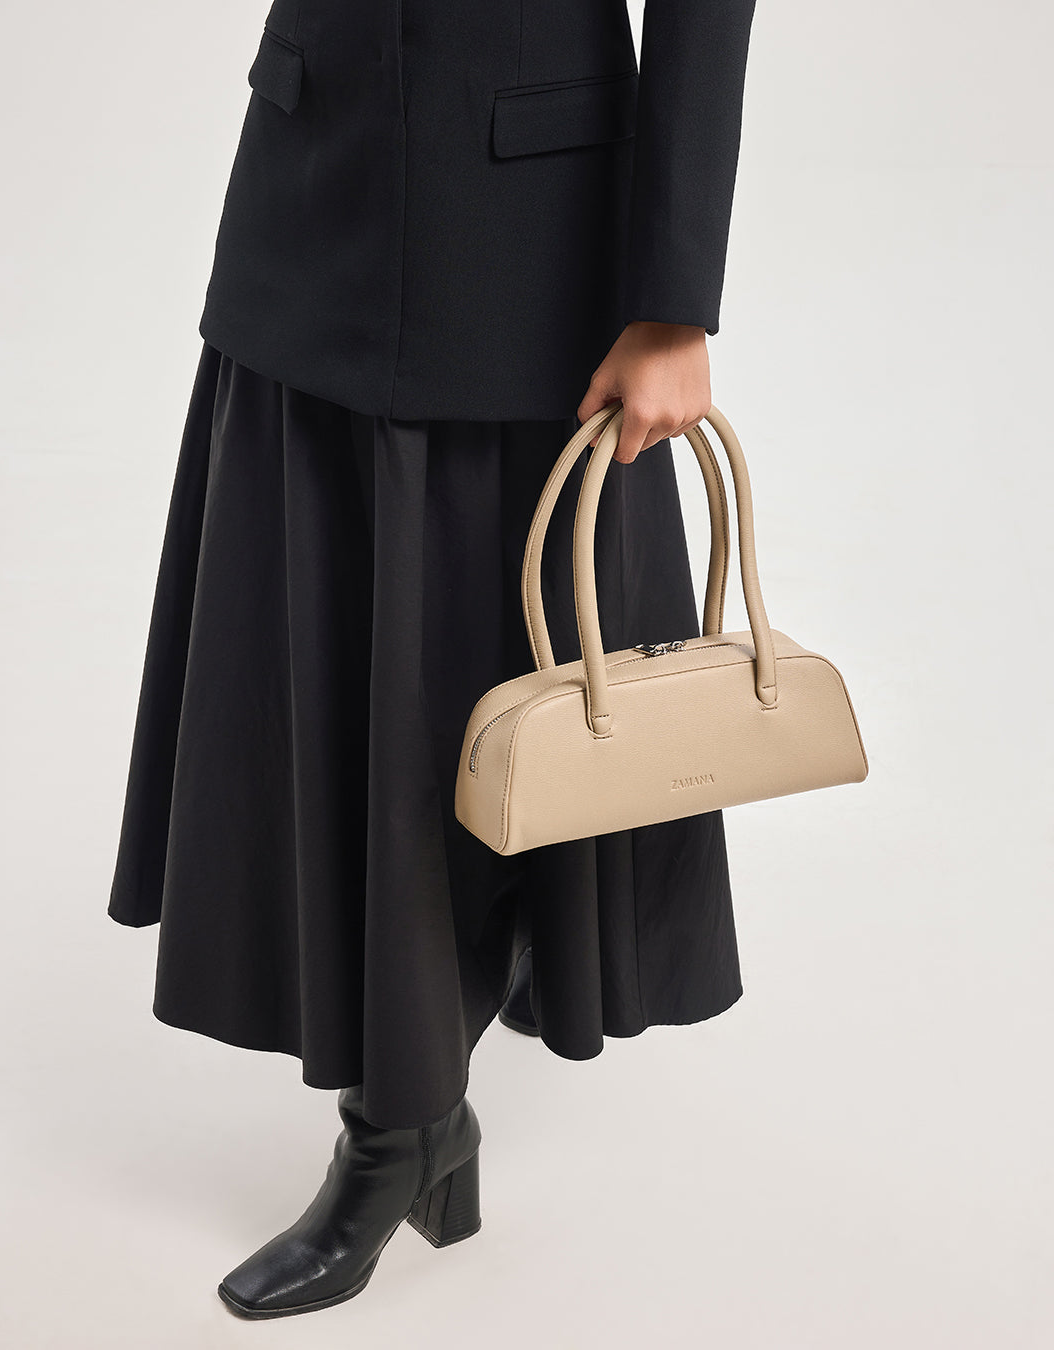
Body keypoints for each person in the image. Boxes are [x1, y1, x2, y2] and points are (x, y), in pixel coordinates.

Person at [108, 0, 758, 1319]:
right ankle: (409, 1118)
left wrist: (674, 300)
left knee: (490, 705)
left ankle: (402, 1121)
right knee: (324, 685)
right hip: (311, 181)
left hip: (530, 236)